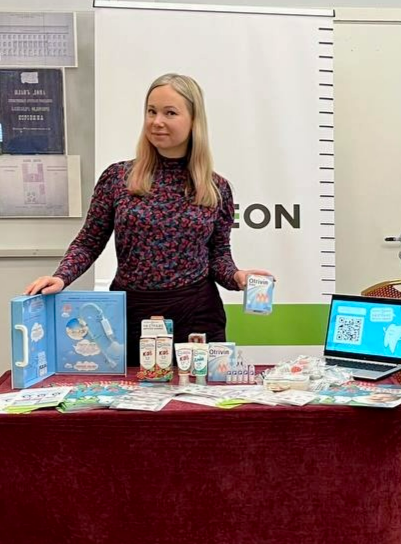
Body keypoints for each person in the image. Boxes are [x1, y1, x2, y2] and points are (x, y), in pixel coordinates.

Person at [25, 73, 271, 365]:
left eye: (170, 113)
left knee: (199, 395)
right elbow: (89, 242)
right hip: (131, 315)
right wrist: (62, 276)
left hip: (197, 316)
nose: (157, 122)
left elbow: (218, 255)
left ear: (194, 120)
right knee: (129, 395)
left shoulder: (216, 188)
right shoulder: (118, 177)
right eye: (151, 111)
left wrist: (236, 277)